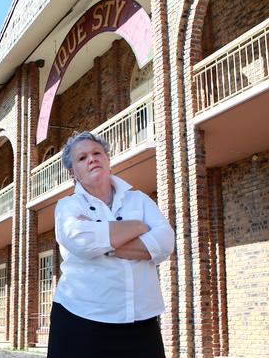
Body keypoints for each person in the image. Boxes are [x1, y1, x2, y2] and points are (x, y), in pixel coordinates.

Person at [47, 131, 175, 358]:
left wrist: (103, 244)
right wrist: (138, 226)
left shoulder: (140, 200)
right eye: (82, 158)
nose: (92, 159)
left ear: (107, 159)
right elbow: (81, 240)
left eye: (97, 153)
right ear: (72, 173)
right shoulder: (67, 206)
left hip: (141, 320)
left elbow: (166, 242)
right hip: (80, 318)